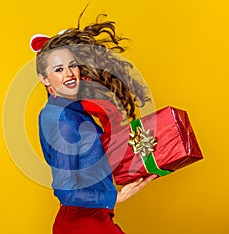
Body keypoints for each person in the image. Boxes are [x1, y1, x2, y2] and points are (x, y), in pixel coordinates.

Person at [31, 14, 157, 234]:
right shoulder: (63, 120)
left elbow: (92, 163)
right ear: (44, 78)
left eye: (72, 65)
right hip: (85, 225)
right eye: (58, 69)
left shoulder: (74, 110)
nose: (69, 74)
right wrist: (117, 196)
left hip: (90, 220)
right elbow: (66, 189)